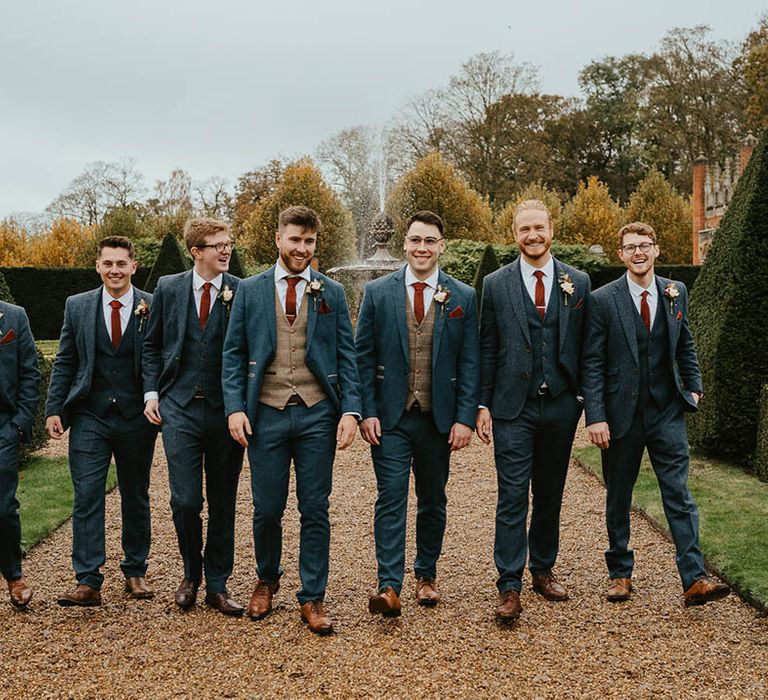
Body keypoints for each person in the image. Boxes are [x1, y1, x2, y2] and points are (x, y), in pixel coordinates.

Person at [223, 205, 361, 635]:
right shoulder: (249, 289)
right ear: (278, 240)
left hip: (318, 411)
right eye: (295, 240)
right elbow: (232, 353)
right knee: (266, 508)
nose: (302, 248)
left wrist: (351, 411)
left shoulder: (330, 292)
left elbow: (347, 355)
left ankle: (312, 596)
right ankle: (267, 578)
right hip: (265, 412)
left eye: (309, 241)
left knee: (315, 507)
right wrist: (234, 407)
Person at [582, 222, 730, 607]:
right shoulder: (602, 300)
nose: (638, 253)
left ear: (656, 249)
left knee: (678, 494)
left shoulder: (675, 291)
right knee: (618, 496)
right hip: (619, 415)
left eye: (644, 245)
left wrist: (693, 387)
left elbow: (686, 344)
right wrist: (595, 415)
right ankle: (620, 573)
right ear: (621, 255)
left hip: (667, 410)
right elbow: (593, 362)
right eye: (630, 247)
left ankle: (694, 578)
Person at [356, 211, 479, 617]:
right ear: (405, 244)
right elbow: (362, 357)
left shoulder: (462, 296)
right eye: (415, 240)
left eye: (429, 241)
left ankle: (426, 575)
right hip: (389, 418)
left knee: (432, 498)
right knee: (390, 498)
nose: (421, 248)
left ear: (441, 245)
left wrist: (464, 417)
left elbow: (470, 361)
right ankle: (388, 585)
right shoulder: (377, 292)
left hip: (437, 418)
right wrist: (366, 412)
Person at [477, 199, 591, 622]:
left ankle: (542, 569)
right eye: (524, 229)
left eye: (539, 228)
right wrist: (483, 402)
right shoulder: (495, 283)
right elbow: (487, 346)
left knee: (550, 493)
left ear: (551, 230)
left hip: (561, 405)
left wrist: (581, 399)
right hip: (512, 406)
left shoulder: (577, 282)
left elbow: (586, 348)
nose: (532, 235)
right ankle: (509, 584)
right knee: (511, 496)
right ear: (514, 233)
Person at [46, 236, 158, 607]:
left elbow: (160, 358)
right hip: (90, 414)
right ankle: (88, 579)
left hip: (136, 417)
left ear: (133, 267)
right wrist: (54, 408)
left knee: (136, 495)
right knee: (88, 495)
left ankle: (135, 570)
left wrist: (155, 400)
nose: (114, 270)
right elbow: (65, 360)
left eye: (121, 264)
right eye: (108, 263)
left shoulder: (152, 306)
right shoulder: (76, 306)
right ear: (98, 266)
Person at [143, 218, 244, 616]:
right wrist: (153, 393)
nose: (225, 250)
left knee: (223, 501)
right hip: (179, 407)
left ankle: (217, 584)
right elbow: (151, 346)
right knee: (185, 500)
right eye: (216, 245)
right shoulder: (168, 287)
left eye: (228, 243)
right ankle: (190, 574)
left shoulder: (241, 290)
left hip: (225, 411)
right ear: (195, 251)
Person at [0, 300, 40, 608]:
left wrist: (19, 426)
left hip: (3, 428)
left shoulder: (14, 315)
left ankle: (14, 576)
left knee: (3, 508)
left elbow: (29, 373)